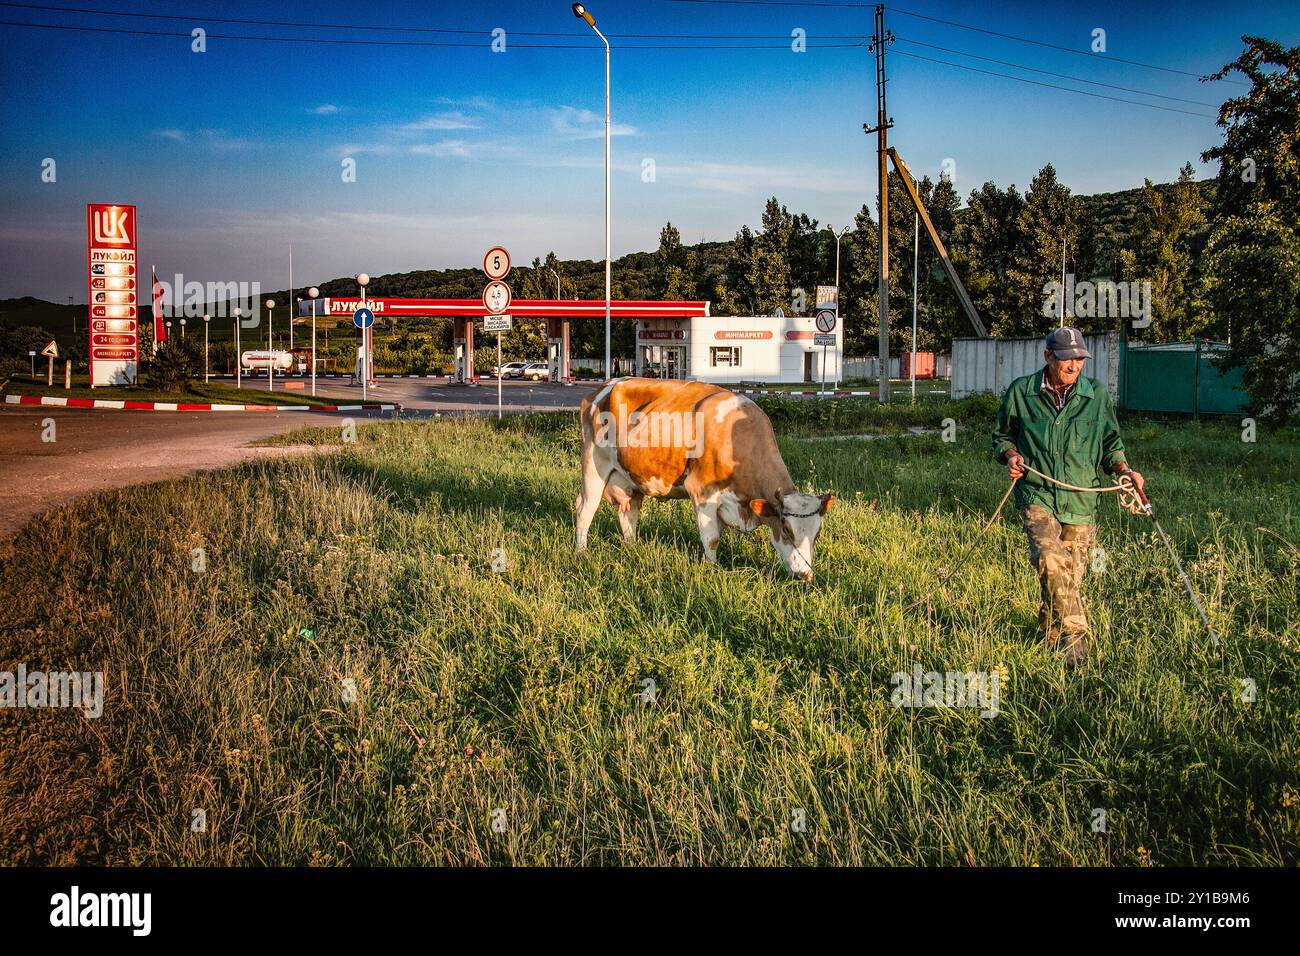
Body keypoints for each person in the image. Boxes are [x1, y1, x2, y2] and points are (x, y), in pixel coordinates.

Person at [991, 327, 1146, 666]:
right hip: (1038, 492)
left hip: (1081, 500)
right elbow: (1002, 436)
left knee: (1066, 580)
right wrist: (1011, 456)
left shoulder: (1097, 396)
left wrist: (1124, 472)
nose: (1074, 366)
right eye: (1066, 359)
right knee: (1050, 560)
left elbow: (1111, 446)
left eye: (1079, 359)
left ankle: (1047, 638)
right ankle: (1076, 644)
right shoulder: (1022, 392)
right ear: (1049, 357)